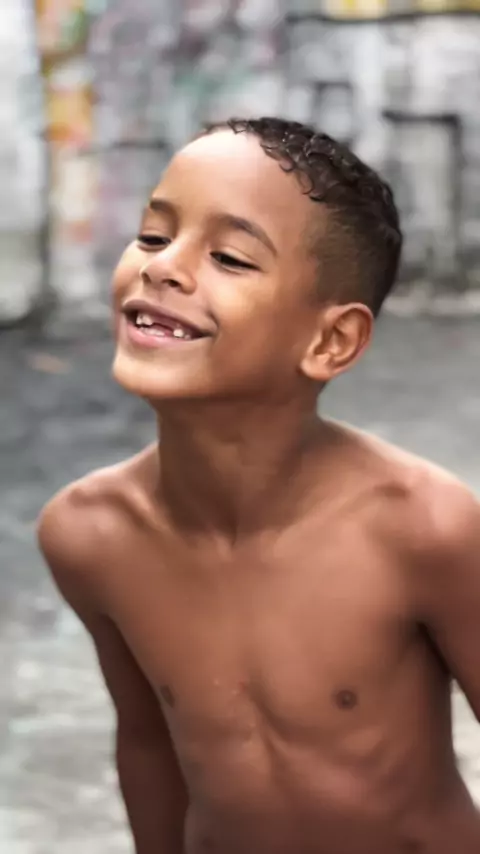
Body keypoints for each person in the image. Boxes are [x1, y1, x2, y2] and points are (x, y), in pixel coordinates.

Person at [37, 117, 480, 854]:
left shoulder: (421, 529)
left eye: (230, 258)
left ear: (331, 340)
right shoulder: (89, 536)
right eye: (153, 235)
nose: (164, 267)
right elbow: (148, 743)